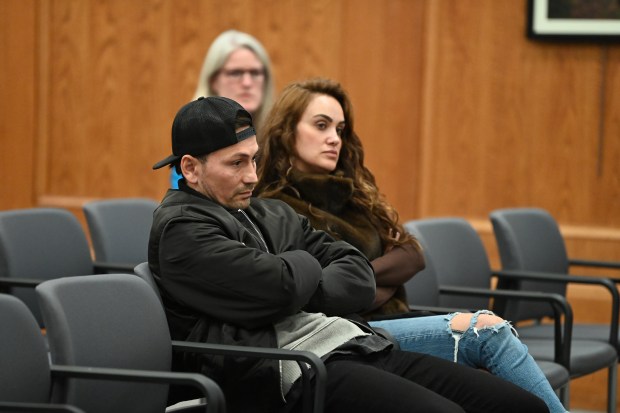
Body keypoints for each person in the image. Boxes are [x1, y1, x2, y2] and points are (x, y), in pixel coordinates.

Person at [149, 95, 550, 413]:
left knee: (519, 405)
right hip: (284, 372)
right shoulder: (181, 229)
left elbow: (357, 273)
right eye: (236, 163)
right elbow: (281, 285)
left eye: (253, 159)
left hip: (355, 342)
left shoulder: (267, 211)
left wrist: (297, 281)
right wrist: (302, 268)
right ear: (191, 168)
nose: (253, 175)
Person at [255, 78, 568, 413]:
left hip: (390, 322)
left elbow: (412, 255)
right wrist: (374, 280)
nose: (334, 139)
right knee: (488, 332)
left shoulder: (353, 193)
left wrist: (359, 277)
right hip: (349, 337)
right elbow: (320, 297)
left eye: (340, 129)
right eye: (321, 125)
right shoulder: (277, 209)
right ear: (287, 132)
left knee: (493, 339)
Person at [170, 29, 275, 188]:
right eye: (235, 73)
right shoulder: (194, 137)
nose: (247, 82)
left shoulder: (277, 135)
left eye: (255, 73)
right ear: (213, 81)